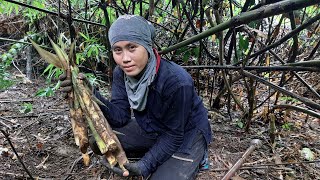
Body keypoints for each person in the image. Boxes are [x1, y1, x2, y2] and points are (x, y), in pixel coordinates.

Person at [60, 14, 212, 180]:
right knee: (100, 143)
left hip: (186, 132)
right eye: (118, 50)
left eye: (132, 47)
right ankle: (157, 149)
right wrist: (89, 92)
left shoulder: (177, 82)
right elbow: (120, 117)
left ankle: (198, 154)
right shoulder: (122, 73)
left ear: (147, 46)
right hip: (153, 125)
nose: (125, 59)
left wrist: (144, 165)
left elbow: (174, 135)